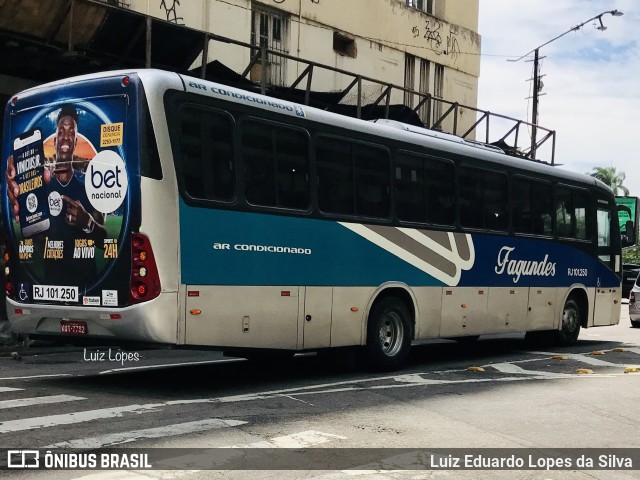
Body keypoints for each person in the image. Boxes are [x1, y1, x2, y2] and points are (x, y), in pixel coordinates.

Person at [6, 104, 106, 290]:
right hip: (52, 286)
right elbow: (31, 239)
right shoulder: (40, 188)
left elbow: (104, 238)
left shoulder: (89, 189)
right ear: (55, 141)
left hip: (87, 286)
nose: (66, 136)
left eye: (71, 132)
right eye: (61, 131)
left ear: (76, 141)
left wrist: (87, 222)